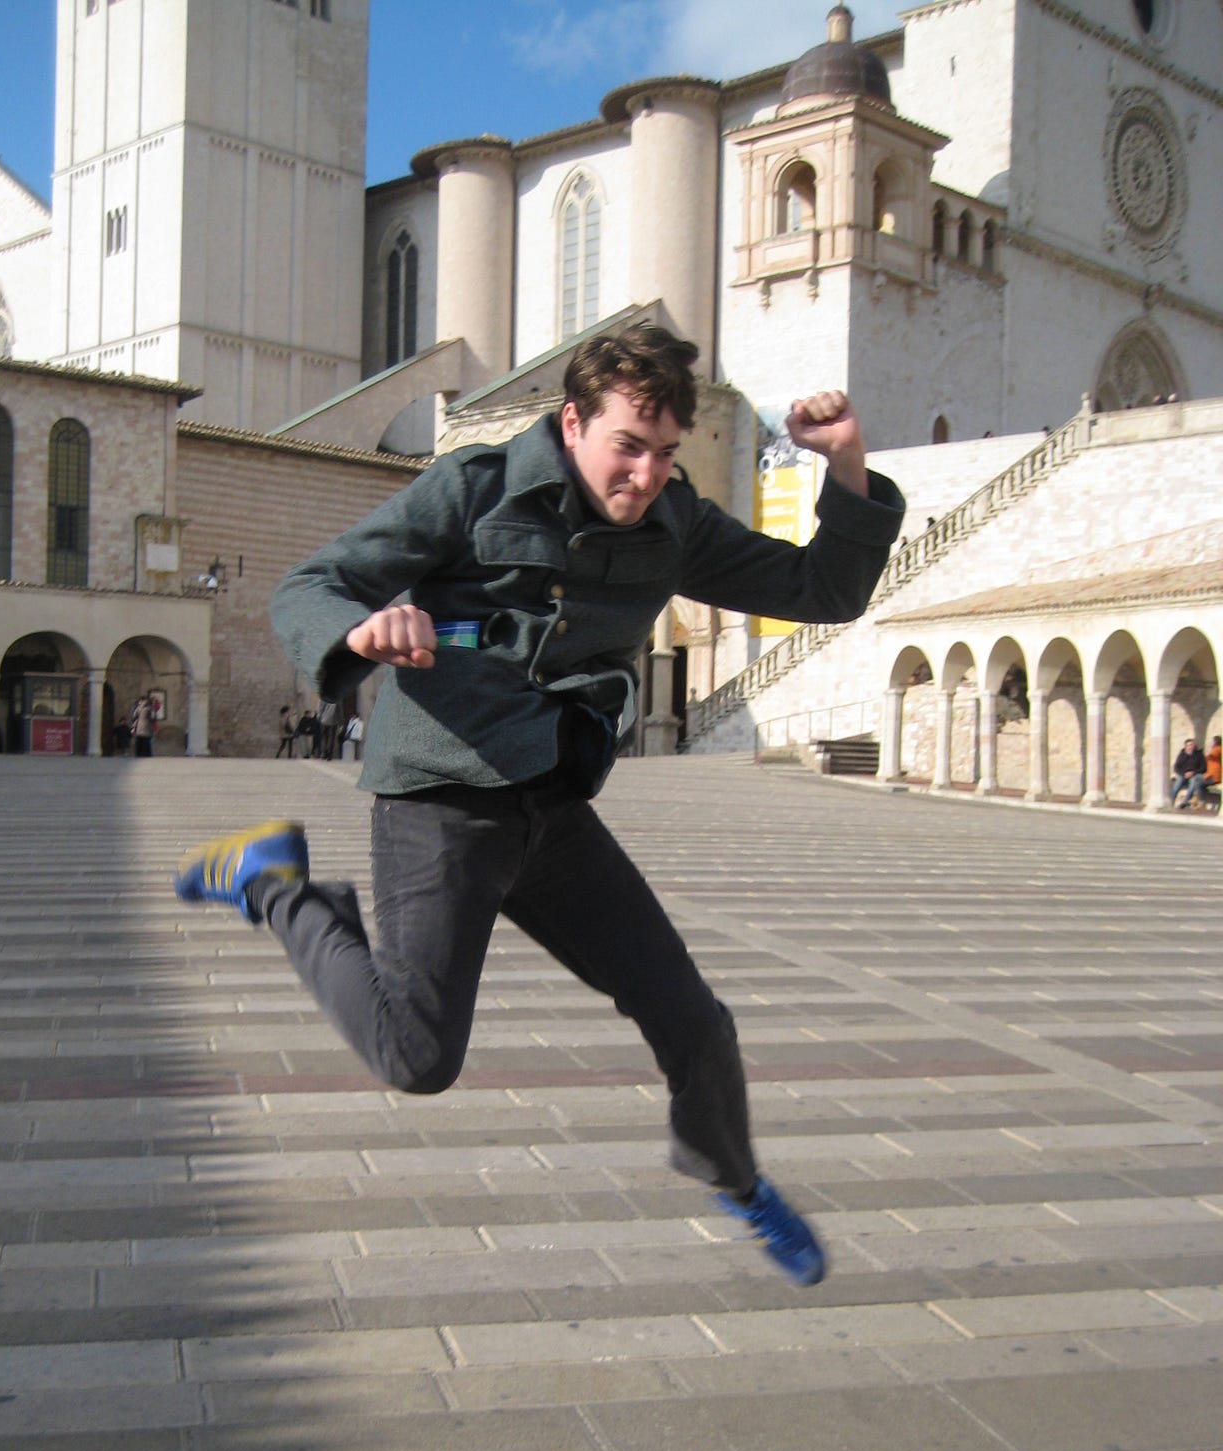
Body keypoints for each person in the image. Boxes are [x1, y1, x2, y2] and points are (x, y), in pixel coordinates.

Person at [173, 323, 904, 1287]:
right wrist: (364, 629)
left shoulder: (674, 522)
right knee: (416, 1057)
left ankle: (737, 1178)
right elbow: (316, 582)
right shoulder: (476, 488)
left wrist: (843, 460)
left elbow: (822, 586)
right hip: (442, 793)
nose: (644, 473)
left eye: (666, 453)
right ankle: (279, 887)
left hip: (552, 807)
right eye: (627, 447)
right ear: (574, 421)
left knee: (692, 1018)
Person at [1171, 736, 1207, 809]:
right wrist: (1184, 774)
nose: (1191, 747)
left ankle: (1185, 802)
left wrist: (1193, 773)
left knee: (1194, 781)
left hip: (1195, 774)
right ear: (1185, 746)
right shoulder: (1182, 755)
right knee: (1177, 783)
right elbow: (1176, 767)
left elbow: (1203, 767)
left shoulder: (1199, 755)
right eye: (1189, 745)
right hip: (1183, 775)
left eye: (1192, 745)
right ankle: (1171, 801)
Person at [1202, 734, 1221, 812]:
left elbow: (1210, 756)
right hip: (1210, 775)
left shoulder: (1217, 749)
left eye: (1212, 741)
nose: (1211, 743)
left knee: (1196, 780)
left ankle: (1201, 802)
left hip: (1213, 776)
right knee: (1196, 781)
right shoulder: (1215, 749)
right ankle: (1200, 801)